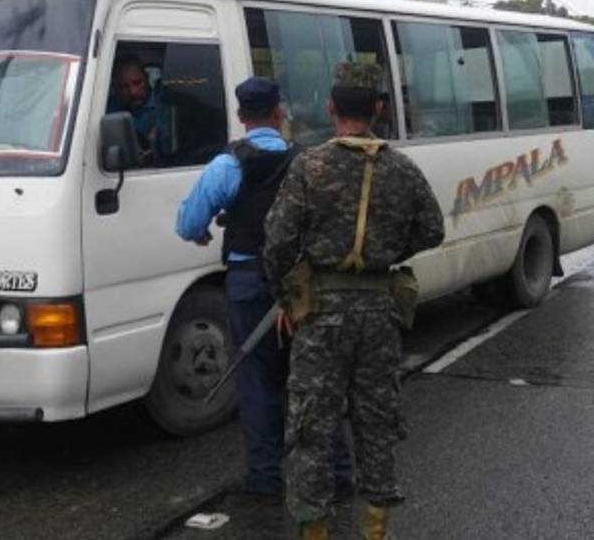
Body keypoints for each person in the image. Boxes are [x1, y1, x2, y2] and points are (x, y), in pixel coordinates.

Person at [264, 62, 445, 540]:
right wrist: (385, 253)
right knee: (376, 423)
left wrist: (285, 297)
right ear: (379, 109)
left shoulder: (309, 166)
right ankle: (376, 531)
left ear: (330, 107)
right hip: (380, 314)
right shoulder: (402, 169)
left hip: (321, 316)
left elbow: (277, 243)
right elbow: (432, 229)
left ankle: (315, 532)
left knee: (312, 429)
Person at [175, 77, 353, 499]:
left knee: (256, 382)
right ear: (279, 112)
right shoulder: (308, 161)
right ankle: (339, 472)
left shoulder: (227, 165)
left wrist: (203, 232)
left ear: (241, 116)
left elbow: (187, 224)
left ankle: (265, 478)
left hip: (248, 283)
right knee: (315, 378)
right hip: (302, 285)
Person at [107, 53, 162, 155]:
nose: (133, 92)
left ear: (146, 78)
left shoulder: (166, 103)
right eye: (124, 87)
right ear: (115, 88)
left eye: (137, 83)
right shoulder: (108, 109)